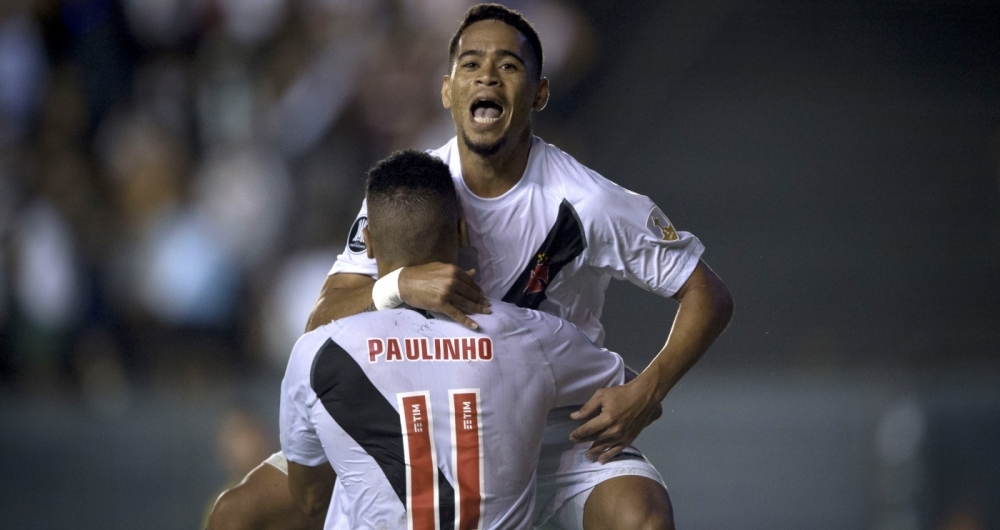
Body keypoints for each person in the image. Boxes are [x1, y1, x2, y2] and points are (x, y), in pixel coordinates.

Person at [209, 4, 733, 530]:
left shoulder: (588, 202)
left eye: (508, 65)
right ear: (447, 90)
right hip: (423, 411)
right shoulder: (410, 189)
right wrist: (397, 284)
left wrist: (649, 390)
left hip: (554, 427)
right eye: (471, 64)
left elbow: (705, 292)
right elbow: (323, 320)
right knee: (236, 516)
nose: (487, 74)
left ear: (540, 93)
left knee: (641, 520)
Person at [279, 149, 626, 530]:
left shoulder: (318, 352)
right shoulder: (532, 335)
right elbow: (627, 392)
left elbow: (310, 499)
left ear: (368, 242)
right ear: (462, 232)